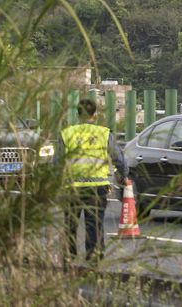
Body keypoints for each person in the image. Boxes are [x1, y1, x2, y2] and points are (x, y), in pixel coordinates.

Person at [59, 99, 122, 262]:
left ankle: (69, 256)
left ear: (77, 114)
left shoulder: (67, 134)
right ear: (95, 115)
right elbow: (118, 158)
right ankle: (93, 256)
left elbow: (57, 163)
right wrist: (124, 174)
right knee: (94, 224)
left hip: (72, 187)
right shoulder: (104, 133)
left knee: (70, 224)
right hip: (97, 187)